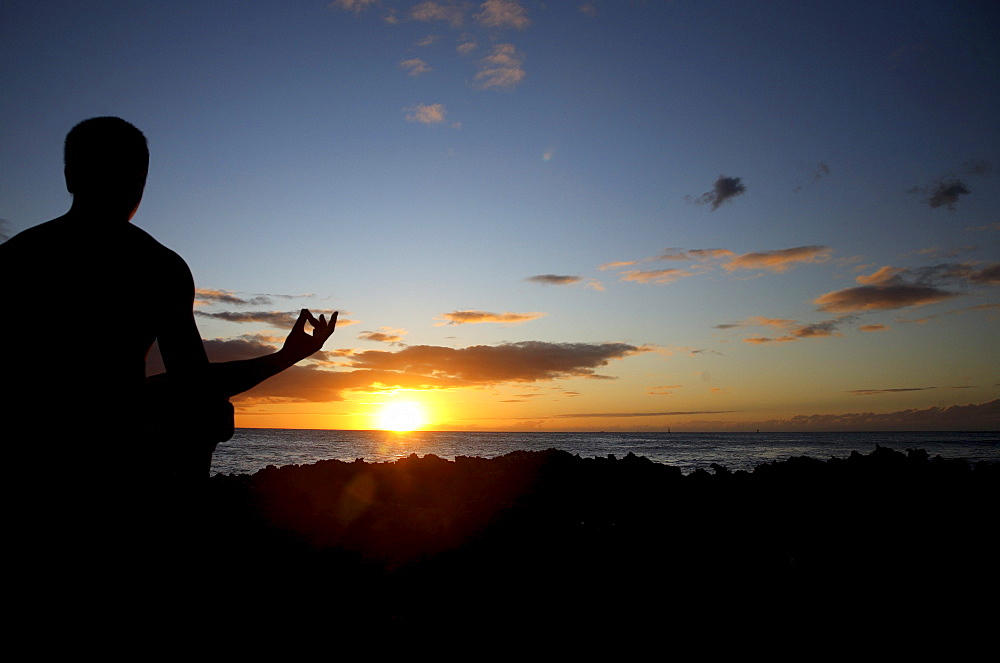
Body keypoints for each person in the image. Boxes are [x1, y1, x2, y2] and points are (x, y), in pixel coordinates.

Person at [0, 117, 336, 583]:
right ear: (141, 182)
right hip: (114, 468)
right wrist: (284, 358)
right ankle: (186, 560)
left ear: (68, 176)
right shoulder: (157, 266)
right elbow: (192, 387)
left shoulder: (16, 258)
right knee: (209, 413)